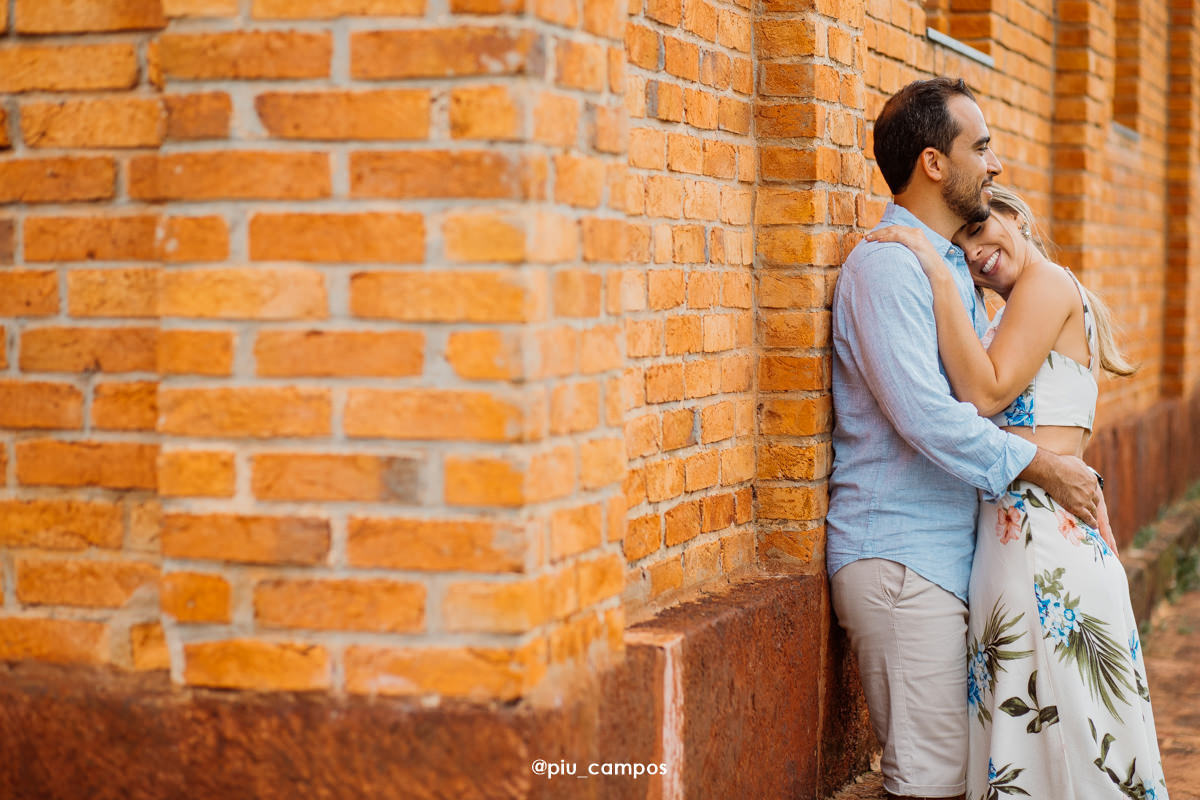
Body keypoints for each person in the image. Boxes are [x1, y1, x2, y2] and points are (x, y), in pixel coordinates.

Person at [826, 77, 1107, 800]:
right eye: (980, 147)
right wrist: (1043, 466)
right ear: (933, 163)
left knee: (966, 775)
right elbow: (929, 417)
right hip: (902, 557)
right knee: (932, 784)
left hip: (950, 562)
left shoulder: (951, 268)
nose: (995, 164)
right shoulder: (887, 267)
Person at [867, 184, 1169, 799]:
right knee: (1044, 748)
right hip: (1021, 545)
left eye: (980, 228)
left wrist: (934, 269)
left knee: (1071, 750)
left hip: (1040, 551)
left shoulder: (1047, 283)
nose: (974, 252)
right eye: (959, 246)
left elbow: (984, 393)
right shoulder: (1008, 314)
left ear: (1016, 216)